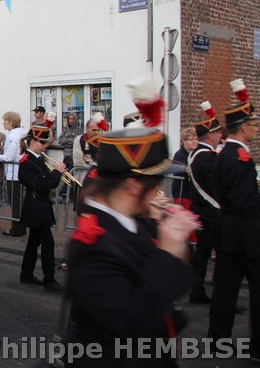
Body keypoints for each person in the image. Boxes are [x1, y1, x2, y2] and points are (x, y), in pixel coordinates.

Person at [65, 127, 199, 366]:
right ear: (134, 186)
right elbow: (132, 320)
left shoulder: (134, 219)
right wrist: (167, 253)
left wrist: (169, 235)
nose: (159, 190)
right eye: (156, 183)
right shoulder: (91, 243)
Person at [208, 79, 260, 361]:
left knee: (225, 290)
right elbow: (244, 201)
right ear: (243, 127)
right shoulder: (241, 158)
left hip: (227, 230)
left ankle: (217, 341)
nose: (256, 128)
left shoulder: (224, 153)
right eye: (253, 124)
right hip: (246, 234)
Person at [18, 126, 66, 293]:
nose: (45, 146)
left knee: (34, 242)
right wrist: (57, 173)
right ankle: (49, 279)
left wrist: (54, 174)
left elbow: (46, 182)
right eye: (42, 143)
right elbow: (41, 185)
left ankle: (26, 274)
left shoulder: (38, 158)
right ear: (32, 142)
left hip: (41, 205)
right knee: (48, 243)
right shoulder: (26, 161)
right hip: (36, 207)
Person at [187, 101, 222, 304]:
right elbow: (215, 187)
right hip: (211, 213)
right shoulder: (208, 158)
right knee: (223, 255)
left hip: (200, 210)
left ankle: (197, 291)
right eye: (217, 133)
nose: (220, 136)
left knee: (201, 254)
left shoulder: (195, 154)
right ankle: (220, 296)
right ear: (209, 135)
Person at [0, 111, 27, 237]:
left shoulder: (13, 136)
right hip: (17, 173)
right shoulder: (20, 134)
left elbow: (9, 157)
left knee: (16, 203)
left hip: (13, 174)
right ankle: (20, 228)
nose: (3, 123)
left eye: (5, 121)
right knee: (18, 202)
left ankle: (16, 229)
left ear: (11, 122)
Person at [171, 127, 198, 208]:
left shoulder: (196, 154)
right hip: (183, 193)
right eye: (190, 140)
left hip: (193, 193)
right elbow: (181, 172)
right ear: (183, 141)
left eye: (196, 139)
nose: (194, 142)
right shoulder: (179, 155)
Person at [72, 117, 102, 185]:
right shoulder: (79, 140)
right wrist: (95, 165)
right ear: (86, 128)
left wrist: (88, 160)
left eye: (98, 130)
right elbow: (78, 163)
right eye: (94, 130)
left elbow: (103, 164)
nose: (97, 133)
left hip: (99, 181)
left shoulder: (103, 141)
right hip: (82, 179)